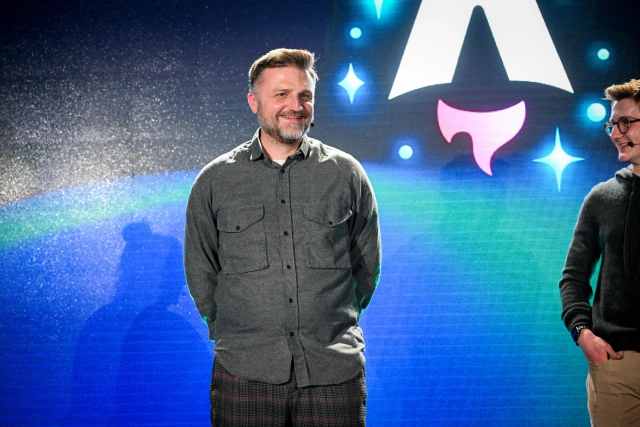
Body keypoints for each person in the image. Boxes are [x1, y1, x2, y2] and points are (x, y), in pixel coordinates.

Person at [184, 48, 381, 426]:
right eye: (281, 95)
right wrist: (235, 333)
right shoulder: (215, 181)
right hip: (244, 374)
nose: (296, 105)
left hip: (332, 374)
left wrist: (326, 323)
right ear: (253, 102)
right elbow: (201, 271)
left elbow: (366, 268)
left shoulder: (346, 174)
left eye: (304, 95)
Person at [560, 79, 640, 426]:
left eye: (626, 122)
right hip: (616, 365)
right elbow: (573, 276)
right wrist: (582, 332)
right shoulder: (601, 198)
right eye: (612, 124)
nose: (615, 133)